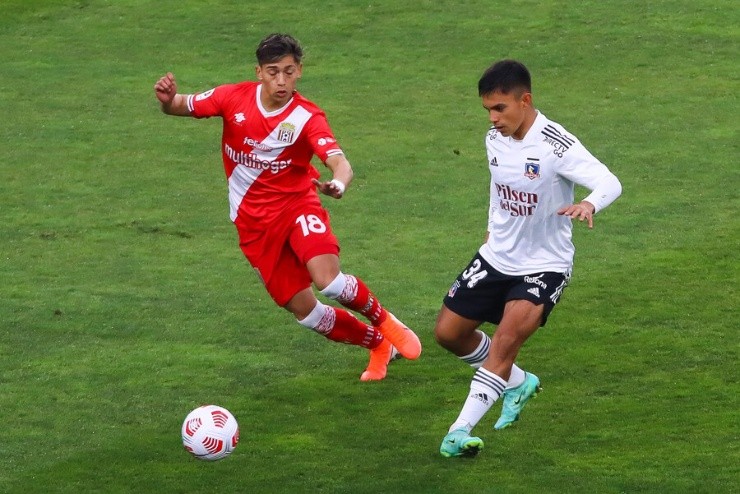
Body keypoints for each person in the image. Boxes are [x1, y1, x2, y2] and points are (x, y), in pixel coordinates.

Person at [153, 33, 421, 382]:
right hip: (253, 225)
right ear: (259, 72)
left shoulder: (307, 117)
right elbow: (179, 105)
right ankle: (378, 344)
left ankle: (386, 321)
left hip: (297, 206)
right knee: (307, 314)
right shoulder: (232, 98)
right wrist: (167, 99)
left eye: (289, 72)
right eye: (273, 72)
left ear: (299, 72)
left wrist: (338, 184)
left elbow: (340, 163)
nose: (281, 81)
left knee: (328, 281)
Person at [436, 59, 622, 457]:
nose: (493, 117)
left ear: (525, 100)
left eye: (499, 108)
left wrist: (589, 203)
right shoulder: (494, 139)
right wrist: (491, 228)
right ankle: (518, 383)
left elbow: (609, 181)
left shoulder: (556, 144)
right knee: (448, 334)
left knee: (504, 343)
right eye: (488, 109)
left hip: (543, 265)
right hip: (496, 256)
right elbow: (497, 187)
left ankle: (459, 430)